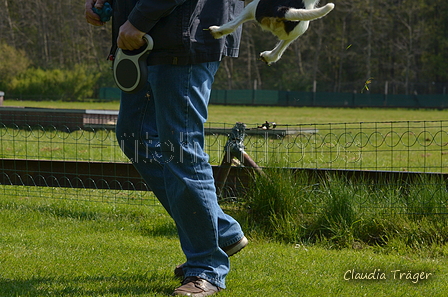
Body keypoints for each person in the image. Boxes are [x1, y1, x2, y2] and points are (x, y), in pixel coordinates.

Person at [85, 0, 247, 296]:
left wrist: (138, 20)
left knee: (181, 147)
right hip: (148, 39)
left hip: (185, 34)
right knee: (134, 135)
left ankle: (206, 267)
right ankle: (220, 231)